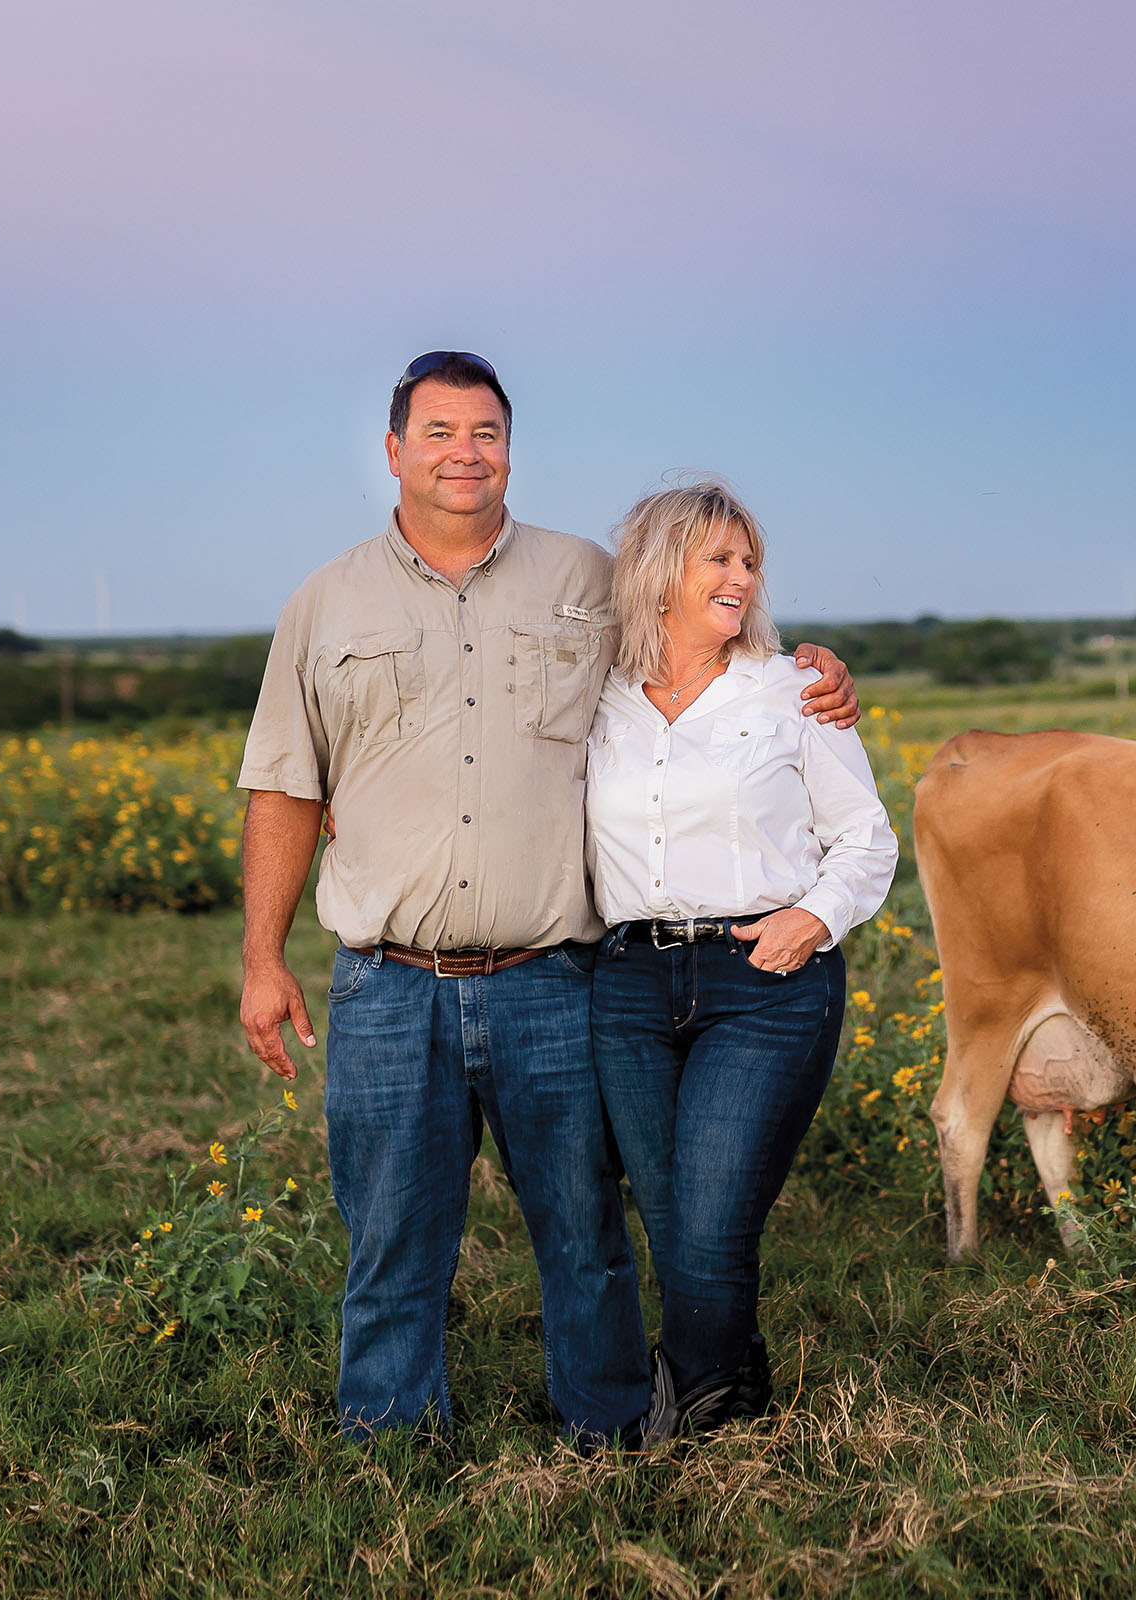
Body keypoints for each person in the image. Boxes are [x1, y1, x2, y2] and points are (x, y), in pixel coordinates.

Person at [236, 353, 858, 1443]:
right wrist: (261, 956)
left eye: (485, 431)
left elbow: (704, 647)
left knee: (583, 1228)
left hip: (556, 979)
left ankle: (610, 1427)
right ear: (393, 451)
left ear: (510, 449)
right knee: (392, 1228)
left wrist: (813, 669)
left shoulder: (587, 580)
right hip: (388, 982)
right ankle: (388, 1439)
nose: (464, 452)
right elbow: (287, 786)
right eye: (438, 432)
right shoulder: (324, 604)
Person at [586, 479, 896, 1441]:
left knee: (714, 1226)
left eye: (749, 560)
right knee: (675, 1224)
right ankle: (737, 1384)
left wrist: (815, 917)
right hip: (630, 980)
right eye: (717, 558)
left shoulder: (791, 691)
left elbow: (869, 839)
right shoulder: (596, 699)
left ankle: (696, 1422)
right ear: (657, 570)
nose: (741, 577)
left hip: (762, 978)